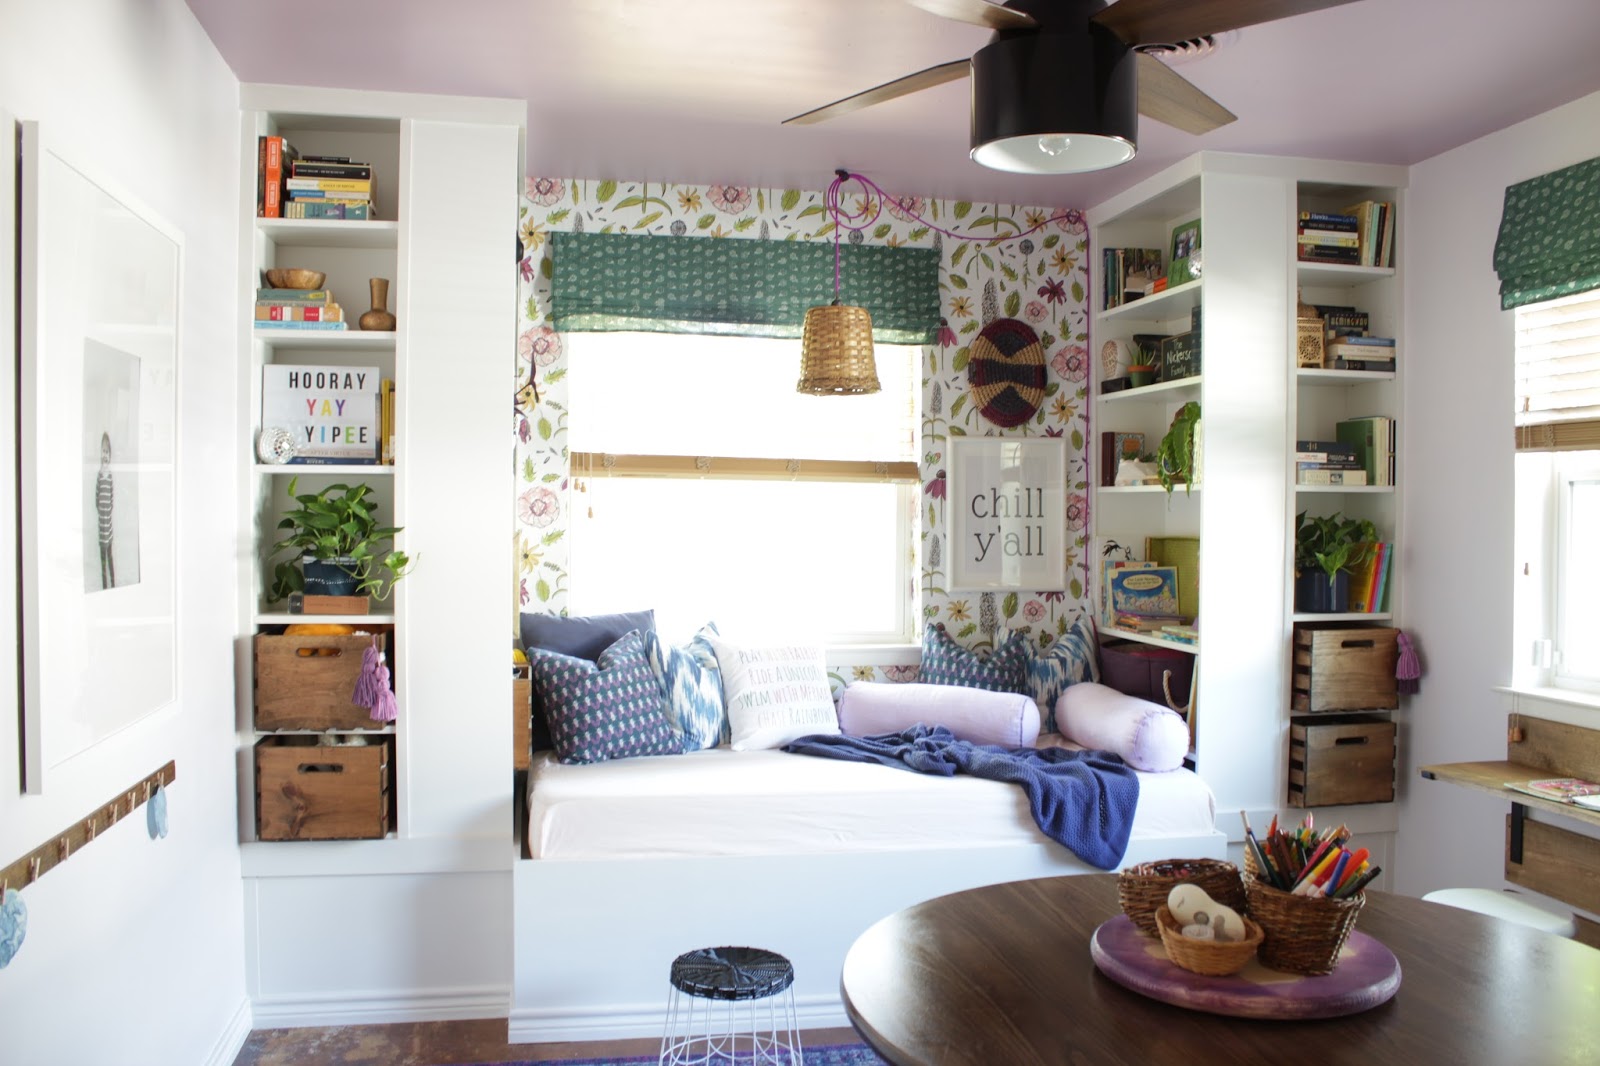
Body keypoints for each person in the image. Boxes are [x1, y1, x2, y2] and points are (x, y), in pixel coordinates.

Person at [96, 432, 114, 589]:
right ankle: (104, 586)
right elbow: (97, 500)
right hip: (101, 527)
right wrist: (101, 513)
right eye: (103, 451)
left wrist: (107, 514)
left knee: (110, 555)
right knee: (102, 558)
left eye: (107, 451)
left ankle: (113, 583)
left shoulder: (110, 477)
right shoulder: (100, 476)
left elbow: (111, 500)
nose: (105, 454)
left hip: (109, 526)